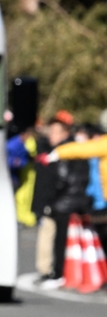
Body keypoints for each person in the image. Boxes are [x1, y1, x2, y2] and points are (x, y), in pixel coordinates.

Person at [32, 115, 90, 289]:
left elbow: (64, 179)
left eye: (57, 131)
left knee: (61, 240)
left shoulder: (66, 152)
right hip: (55, 202)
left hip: (62, 203)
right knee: (50, 236)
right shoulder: (48, 149)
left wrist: (54, 201)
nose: (52, 135)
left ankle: (59, 273)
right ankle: (50, 271)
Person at [7, 125, 37, 227]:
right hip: (11, 177)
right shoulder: (13, 145)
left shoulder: (22, 144)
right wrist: (22, 163)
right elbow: (7, 161)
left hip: (17, 176)